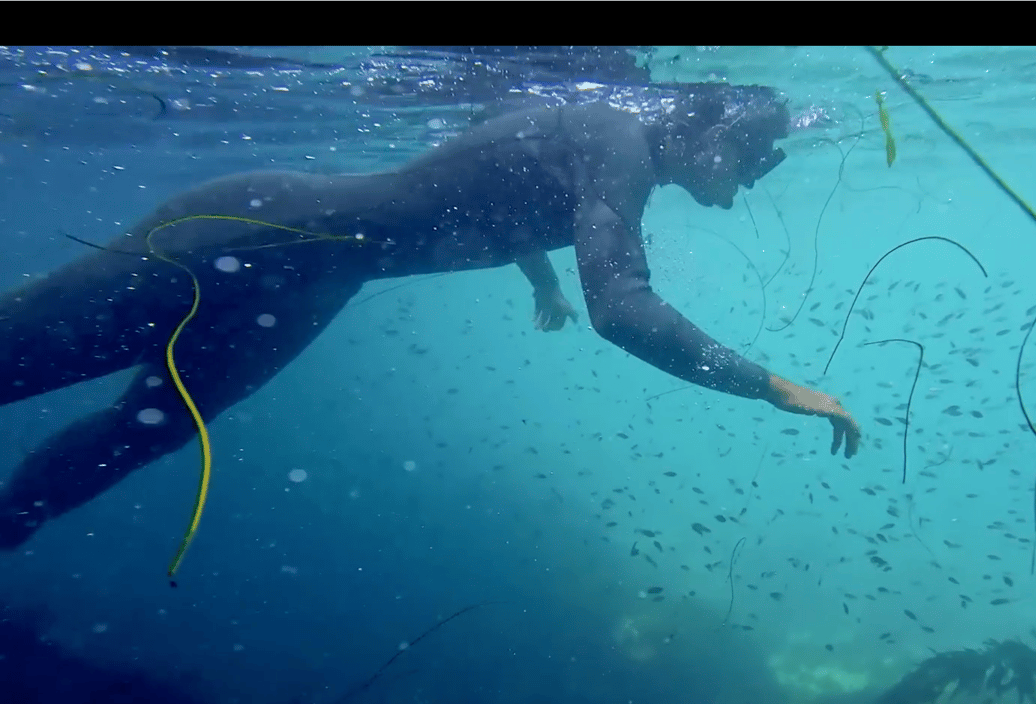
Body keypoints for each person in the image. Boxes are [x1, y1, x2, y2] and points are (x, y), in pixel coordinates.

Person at [0, 83, 861, 549]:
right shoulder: (620, 143)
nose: (755, 180)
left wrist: (540, 282)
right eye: (755, 158)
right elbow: (624, 311)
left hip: (307, 284)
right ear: (709, 130)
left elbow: (496, 165)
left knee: (143, 431)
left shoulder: (610, 144)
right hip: (247, 235)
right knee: (24, 353)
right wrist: (773, 388)